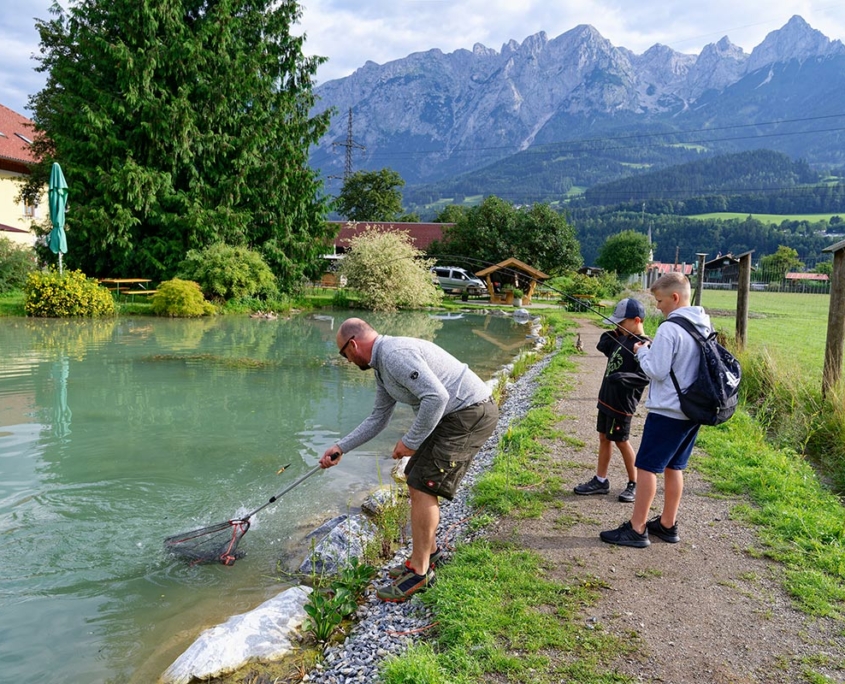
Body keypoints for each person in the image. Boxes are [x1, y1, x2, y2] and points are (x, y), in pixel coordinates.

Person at [319, 318, 499, 601]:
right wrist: (342, 447)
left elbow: (436, 397)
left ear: (353, 345)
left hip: (469, 413)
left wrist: (409, 442)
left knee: (423, 484)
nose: (347, 360)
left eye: (344, 354)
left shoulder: (394, 355)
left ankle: (419, 572)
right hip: (453, 415)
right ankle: (430, 553)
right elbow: (378, 417)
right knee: (415, 475)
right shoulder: (382, 367)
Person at [599, 272, 710, 548]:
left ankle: (637, 529)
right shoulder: (703, 324)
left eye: (660, 301)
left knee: (647, 468)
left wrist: (642, 352)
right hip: (691, 410)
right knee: (675, 466)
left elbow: (656, 371)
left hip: (668, 410)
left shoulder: (670, 329)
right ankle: (667, 524)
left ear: (675, 297)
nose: (657, 307)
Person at [573, 298, 649, 503]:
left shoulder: (644, 346)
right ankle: (601, 480)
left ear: (636, 320)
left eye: (620, 322)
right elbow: (602, 343)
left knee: (622, 442)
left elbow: (645, 377)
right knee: (603, 439)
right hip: (605, 399)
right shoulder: (621, 338)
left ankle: (634, 483)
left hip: (622, 405)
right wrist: (617, 331)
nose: (617, 326)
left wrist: (622, 378)